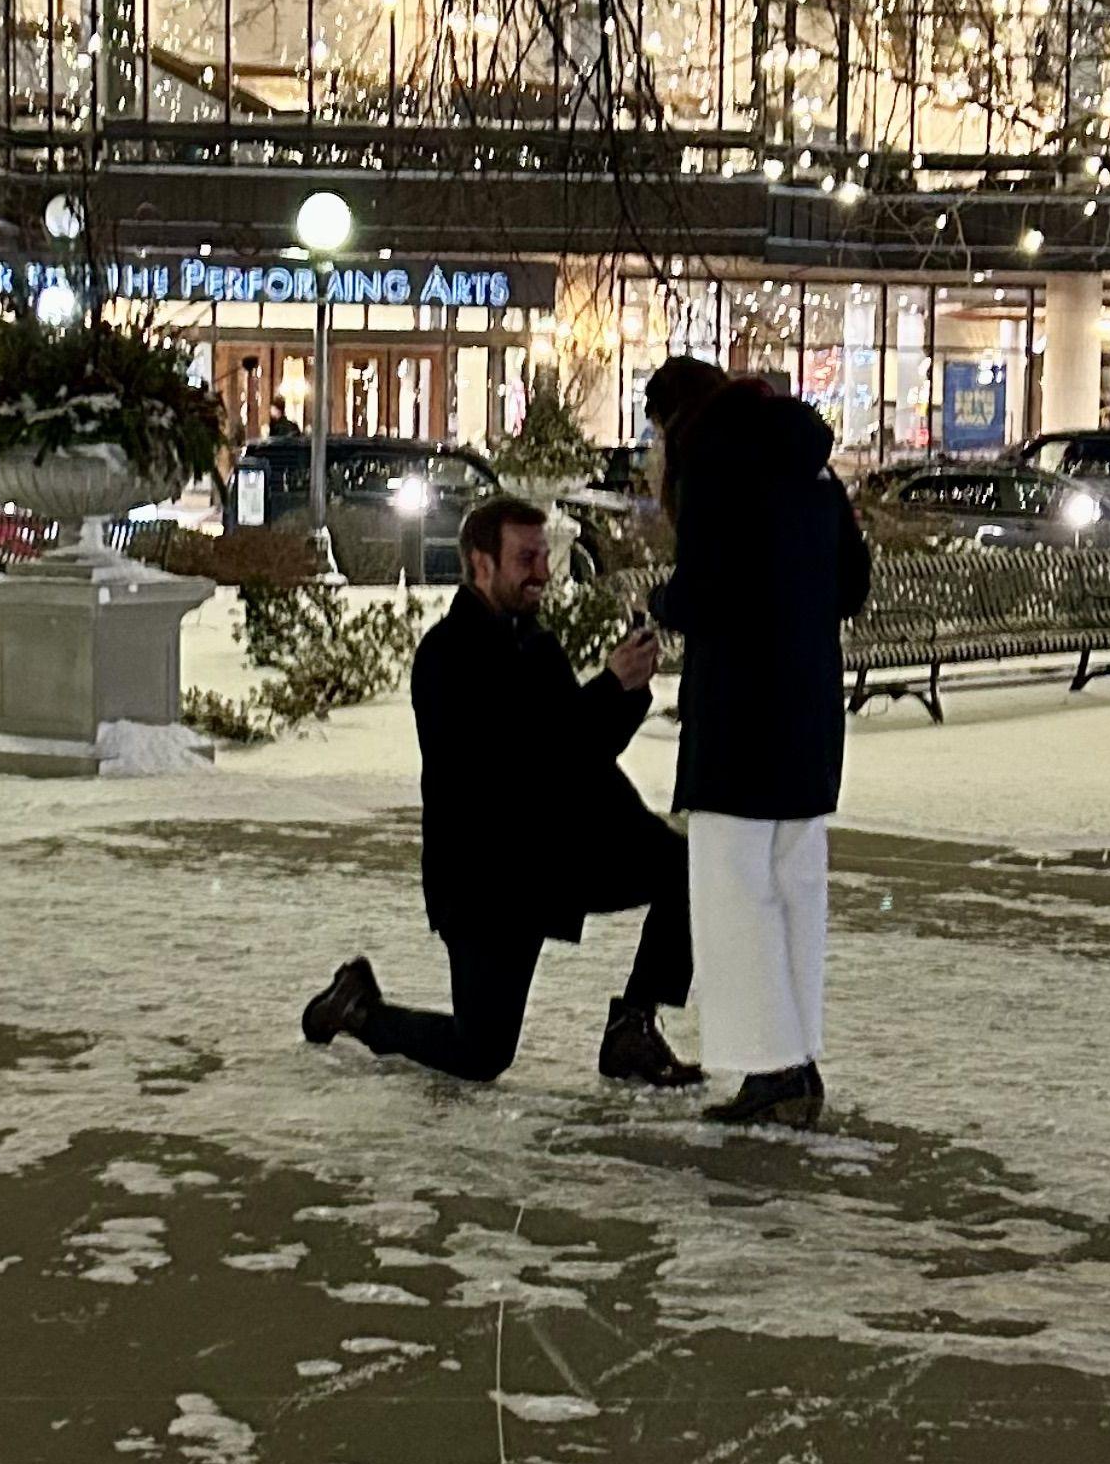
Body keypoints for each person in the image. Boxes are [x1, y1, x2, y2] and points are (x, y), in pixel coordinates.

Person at [300, 494, 702, 1090]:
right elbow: (523, 764)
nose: (542, 572)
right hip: (487, 878)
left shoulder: (533, 643)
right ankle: (358, 1010)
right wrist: (608, 689)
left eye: (544, 556)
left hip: (552, 855)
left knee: (684, 868)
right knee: (482, 1052)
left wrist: (626, 691)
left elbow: (578, 754)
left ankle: (632, 1029)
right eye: (525, 558)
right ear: (481, 563)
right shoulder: (449, 656)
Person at [640, 353, 873, 1126]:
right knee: (795, 887)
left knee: (733, 894)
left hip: (739, 716)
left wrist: (664, 601)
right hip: (808, 712)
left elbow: (705, 592)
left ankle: (771, 1066)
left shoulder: (715, 467)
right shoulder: (813, 469)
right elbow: (852, 585)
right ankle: (796, 1058)